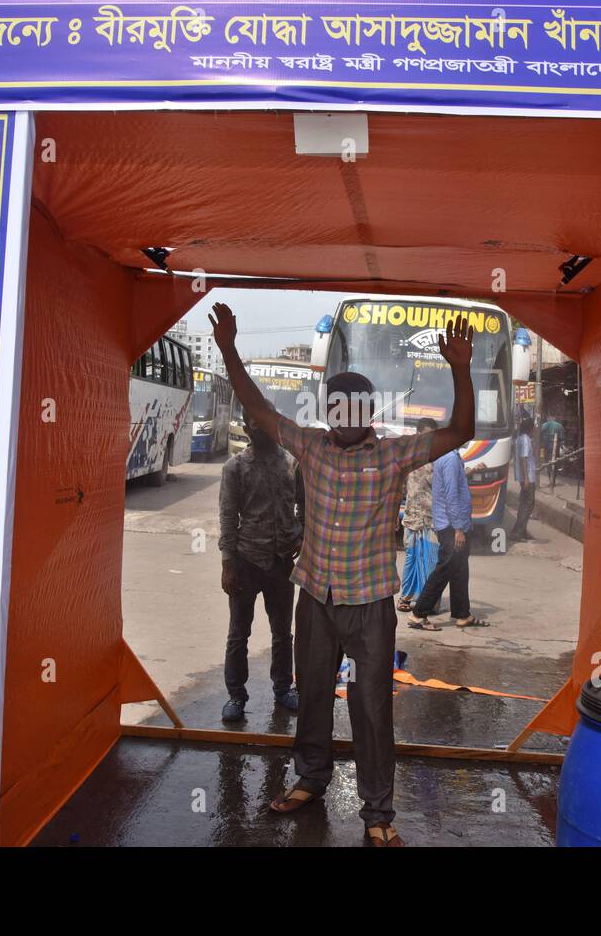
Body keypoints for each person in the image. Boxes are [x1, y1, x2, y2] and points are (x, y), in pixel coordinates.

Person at [210, 301, 474, 848]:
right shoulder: (309, 445)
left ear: (368, 412)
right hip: (316, 598)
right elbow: (258, 408)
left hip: (371, 604)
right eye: (336, 407)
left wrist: (461, 368)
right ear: (329, 410)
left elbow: (462, 429)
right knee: (311, 696)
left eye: (353, 409)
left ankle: (377, 812)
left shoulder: (397, 455)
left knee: (372, 708)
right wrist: (229, 349)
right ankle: (311, 777)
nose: (343, 417)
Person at [218, 410, 305, 722]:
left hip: (282, 564)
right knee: (238, 633)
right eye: (256, 424)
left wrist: (302, 537)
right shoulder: (235, 468)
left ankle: (283, 688)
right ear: (247, 428)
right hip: (246, 562)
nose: (263, 430)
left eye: (267, 424)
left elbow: (306, 507)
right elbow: (228, 518)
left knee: (283, 633)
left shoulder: (293, 464)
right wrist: (228, 564)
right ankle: (236, 696)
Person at [410, 432, 483, 630]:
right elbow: (451, 496)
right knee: (445, 569)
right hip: (452, 526)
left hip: (454, 524)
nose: (469, 437)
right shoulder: (450, 459)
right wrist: (459, 528)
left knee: (460, 569)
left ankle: (462, 614)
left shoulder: (450, 457)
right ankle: (419, 613)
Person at [396, 417, 439, 614]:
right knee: (411, 557)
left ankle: (427, 601)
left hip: (431, 518)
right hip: (412, 517)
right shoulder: (408, 458)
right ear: (418, 434)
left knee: (429, 558)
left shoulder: (439, 458)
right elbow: (398, 488)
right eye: (426, 435)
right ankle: (406, 597)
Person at [509, 416, 537, 542]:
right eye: (534, 426)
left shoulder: (520, 438)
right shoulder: (525, 440)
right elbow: (523, 458)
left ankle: (522, 531)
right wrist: (526, 478)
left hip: (524, 476)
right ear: (530, 428)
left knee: (524, 503)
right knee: (528, 504)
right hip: (528, 477)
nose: (536, 429)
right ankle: (517, 532)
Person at [539, 415, 565, 488]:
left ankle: (550, 479)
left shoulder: (544, 425)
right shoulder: (559, 426)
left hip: (547, 445)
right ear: (554, 418)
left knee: (548, 462)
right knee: (555, 462)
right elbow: (562, 438)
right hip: (556, 446)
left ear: (548, 418)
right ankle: (553, 481)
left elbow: (539, 435)